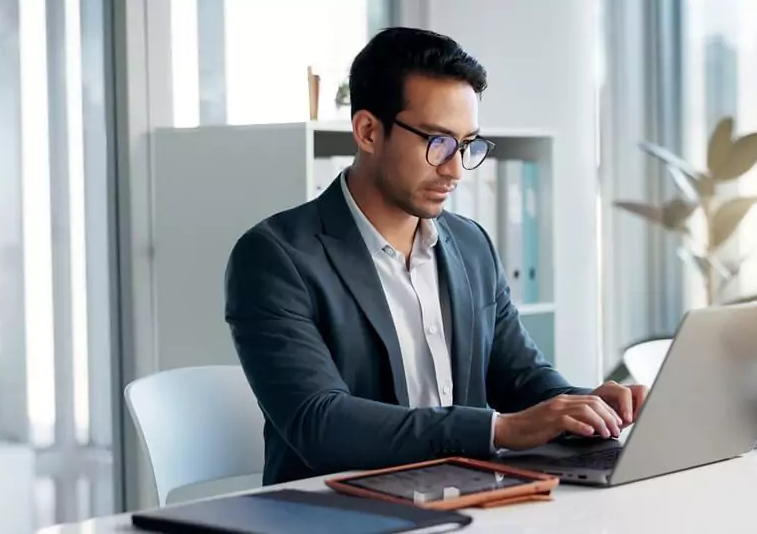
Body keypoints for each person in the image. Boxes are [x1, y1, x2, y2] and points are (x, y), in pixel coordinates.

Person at [224, 26, 647, 486]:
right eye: (438, 142)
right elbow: (321, 423)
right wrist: (499, 429)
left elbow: (521, 379)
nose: (454, 169)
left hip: (469, 499)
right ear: (368, 131)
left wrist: (589, 406)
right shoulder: (276, 257)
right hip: (340, 511)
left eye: (467, 145)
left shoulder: (470, 245)